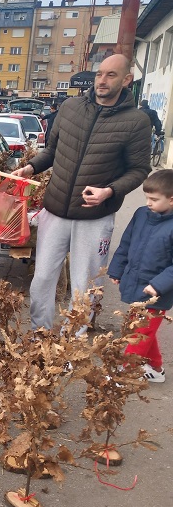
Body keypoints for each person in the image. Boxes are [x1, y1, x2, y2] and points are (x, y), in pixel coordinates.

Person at [13, 54, 152, 332]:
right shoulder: (70, 107)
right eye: (99, 74)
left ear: (126, 80)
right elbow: (52, 151)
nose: (102, 80)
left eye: (111, 75)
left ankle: (73, 341)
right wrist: (30, 167)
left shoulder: (137, 121)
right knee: (42, 279)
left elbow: (139, 170)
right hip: (55, 210)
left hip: (94, 216)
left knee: (85, 285)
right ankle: (40, 334)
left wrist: (109, 191)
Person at [107, 169, 173, 383]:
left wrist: (158, 285)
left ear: (171, 200)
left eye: (154, 199)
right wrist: (117, 269)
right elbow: (126, 243)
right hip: (137, 282)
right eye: (146, 197)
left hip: (157, 293)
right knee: (142, 329)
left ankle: (124, 373)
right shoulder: (141, 214)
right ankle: (156, 369)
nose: (148, 203)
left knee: (139, 333)